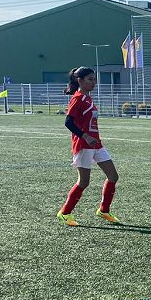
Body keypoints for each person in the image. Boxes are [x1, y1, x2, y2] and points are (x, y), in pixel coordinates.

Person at [58, 67, 119, 227]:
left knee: (113, 176)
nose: (94, 82)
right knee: (84, 182)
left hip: (96, 144)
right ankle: (64, 213)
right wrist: (85, 136)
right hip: (84, 145)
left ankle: (104, 210)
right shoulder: (78, 98)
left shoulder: (88, 98)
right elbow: (68, 122)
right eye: (90, 79)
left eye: (94, 79)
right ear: (80, 81)